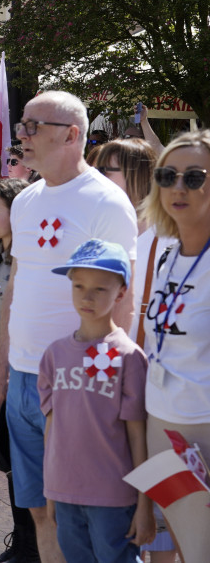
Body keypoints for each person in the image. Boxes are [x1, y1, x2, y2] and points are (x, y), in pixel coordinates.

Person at [0, 91, 138, 561]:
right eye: (21, 126)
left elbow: (122, 296)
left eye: (34, 127)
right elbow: (16, 287)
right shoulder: (27, 200)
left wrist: (107, 380)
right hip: (23, 377)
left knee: (83, 513)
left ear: (72, 134)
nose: (22, 136)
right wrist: (2, 374)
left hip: (81, 380)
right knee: (39, 509)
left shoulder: (106, 202)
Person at [39, 239, 153, 561]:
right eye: (78, 286)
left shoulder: (129, 357)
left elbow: (137, 435)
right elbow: (52, 427)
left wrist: (145, 504)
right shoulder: (54, 354)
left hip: (113, 497)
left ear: (120, 293)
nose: (86, 297)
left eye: (100, 289)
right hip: (64, 492)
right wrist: (50, 491)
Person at [140, 129, 210, 561]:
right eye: (167, 176)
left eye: (195, 177)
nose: (178, 187)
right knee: (183, 545)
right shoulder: (166, 253)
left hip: (204, 426)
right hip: (161, 423)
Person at [0, 178, 38, 563]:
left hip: (17, 363)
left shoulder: (27, 259)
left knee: (20, 459)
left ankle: (31, 549)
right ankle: (25, 543)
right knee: (8, 457)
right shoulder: (1, 253)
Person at [93, 139, 170, 346]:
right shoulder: (97, 229)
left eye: (104, 170)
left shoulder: (170, 237)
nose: (95, 178)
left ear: (137, 175)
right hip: (98, 358)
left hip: (145, 359)